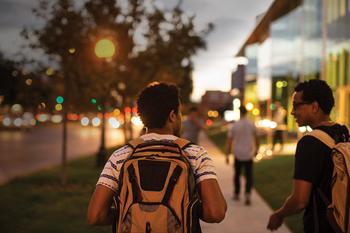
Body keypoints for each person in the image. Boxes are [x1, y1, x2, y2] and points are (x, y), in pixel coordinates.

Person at [87, 82, 227, 228]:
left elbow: (95, 216)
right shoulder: (195, 154)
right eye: (179, 112)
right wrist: (186, 212)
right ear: (172, 116)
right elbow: (215, 213)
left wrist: (128, 216)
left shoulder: (121, 155)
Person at [267, 79, 349, 233]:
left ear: (314, 106)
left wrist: (279, 214)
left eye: (296, 105)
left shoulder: (309, 142)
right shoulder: (344, 134)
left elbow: (299, 200)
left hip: (324, 226)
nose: (292, 112)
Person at [225, 106, 260, 205]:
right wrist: (257, 149)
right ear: (247, 112)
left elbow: (229, 141)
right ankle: (247, 195)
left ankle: (236, 193)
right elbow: (257, 138)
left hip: (238, 153)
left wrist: (227, 155)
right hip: (248, 154)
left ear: (239, 112)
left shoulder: (235, 125)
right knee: (249, 175)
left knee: (237, 174)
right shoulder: (251, 124)